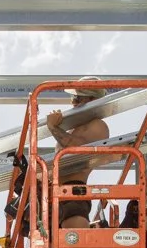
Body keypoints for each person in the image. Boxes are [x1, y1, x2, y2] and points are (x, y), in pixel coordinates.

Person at [44, 83, 109, 229]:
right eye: (73, 98)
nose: (73, 102)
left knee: (75, 242)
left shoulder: (98, 126)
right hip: (54, 193)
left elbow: (78, 150)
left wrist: (54, 128)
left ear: (92, 100)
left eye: (78, 98)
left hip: (72, 190)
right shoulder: (74, 128)